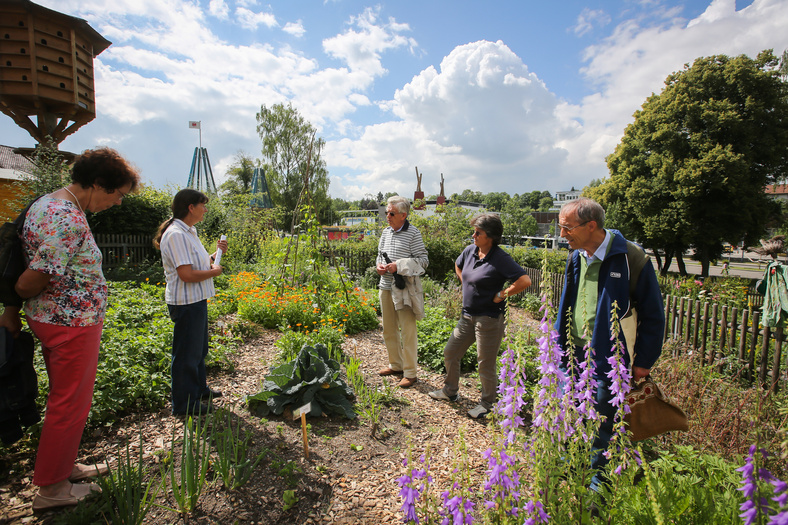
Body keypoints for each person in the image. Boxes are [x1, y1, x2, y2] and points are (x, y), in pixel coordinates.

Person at [4, 147, 140, 511]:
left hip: (56, 319)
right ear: (98, 183)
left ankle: (63, 469)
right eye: (118, 194)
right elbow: (32, 277)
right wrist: (19, 293)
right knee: (69, 404)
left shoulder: (45, 205)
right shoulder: (66, 217)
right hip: (70, 324)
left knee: (65, 400)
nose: (118, 203)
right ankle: (52, 490)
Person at [554, 197, 665, 491]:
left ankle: (597, 488)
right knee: (572, 412)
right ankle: (570, 472)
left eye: (567, 228)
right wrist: (557, 343)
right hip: (574, 350)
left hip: (609, 357)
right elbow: (568, 301)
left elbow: (653, 313)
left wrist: (643, 361)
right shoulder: (577, 255)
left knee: (604, 423)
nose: (562, 235)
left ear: (591, 226)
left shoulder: (630, 257)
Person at [428, 213, 531, 419]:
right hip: (467, 316)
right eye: (474, 231)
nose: (473, 235)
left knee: (485, 363)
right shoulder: (470, 251)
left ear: (491, 236)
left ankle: (487, 404)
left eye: (478, 232)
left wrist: (501, 295)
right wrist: (465, 282)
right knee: (450, 352)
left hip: (489, 319)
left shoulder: (500, 258)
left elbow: (524, 281)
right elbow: (458, 265)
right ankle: (450, 392)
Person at [154, 189, 227, 416]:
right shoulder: (176, 234)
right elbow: (186, 274)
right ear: (190, 208)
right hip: (185, 302)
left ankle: (199, 390)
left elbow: (199, 262)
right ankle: (184, 404)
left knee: (198, 349)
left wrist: (215, 256)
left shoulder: (189, 231)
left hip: (196, 299)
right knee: (187, 354)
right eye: (203, 205)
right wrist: (215, 273)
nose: (205, 209)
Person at [375, 196, 428, 388]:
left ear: (403, 215)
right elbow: (379, 255)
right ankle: (396, 365)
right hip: (385, 286)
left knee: (407, 331)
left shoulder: (413, 233)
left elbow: (423, 262)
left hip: (405, 289)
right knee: (389, 329)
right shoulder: (386, 232)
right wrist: (379, 266)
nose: (387, 216)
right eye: (386, 212)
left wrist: (399, 266)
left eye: (391, 213)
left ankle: (411, 373)